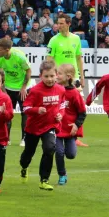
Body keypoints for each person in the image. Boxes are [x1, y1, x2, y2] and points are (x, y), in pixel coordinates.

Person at [19, 60, 66, 191]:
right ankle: (24, 167)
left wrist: (60, 114)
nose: (50, 79)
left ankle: (44, 180)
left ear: (56, 75)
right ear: (40, 76)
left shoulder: (60, 89)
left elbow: (62, 105)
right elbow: (26, 107)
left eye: (52, 76)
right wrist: (36, 110)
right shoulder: (35, 91)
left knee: (50, 149)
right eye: (46, 76)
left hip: (50, 126)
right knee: (28, 153)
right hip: (33, 127)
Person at [46, 14, 88, 147]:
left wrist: (82, 76)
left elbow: (79, 58)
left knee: (77, 108)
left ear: (68, 24)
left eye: (61, 23)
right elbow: (49, 60)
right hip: (59, 80)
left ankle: (75, 136)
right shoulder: (53, 40)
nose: (59, 25)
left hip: (73, 79)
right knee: (57, 106)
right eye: (58, 23)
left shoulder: (76, 39)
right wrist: (51, 77)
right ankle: (55, 132)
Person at [0, 37, 31, 147]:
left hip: (22, 88)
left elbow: (28, 71)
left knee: (25, 113)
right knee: (7, 113)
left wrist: (23, 87)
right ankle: (6, 138)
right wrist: (3, 91)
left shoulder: (19, 57)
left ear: (7, 49)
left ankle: (24, 138)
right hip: (8, 87)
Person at [55, 64, 87, 186]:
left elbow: (82, 112)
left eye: (59, 74)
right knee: (58, 152)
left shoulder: (74, 94)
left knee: (71, 154)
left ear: (68, 77)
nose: (56, 76)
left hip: (69, 130)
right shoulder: (54, 90)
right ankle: (62, 174)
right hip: (56, 128)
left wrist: (76, 125)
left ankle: (72, 145)